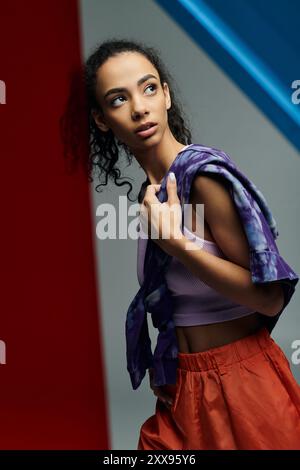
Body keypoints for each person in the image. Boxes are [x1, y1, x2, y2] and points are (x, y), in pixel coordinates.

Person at [62, 38, 300, 450]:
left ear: (166, 95)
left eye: (149, 88)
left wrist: (179, 245)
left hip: (244, 385)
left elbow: (271, 297)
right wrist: (168, 363)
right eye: (119, 99)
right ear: (102, 120)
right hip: (183, 388)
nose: (139, 107)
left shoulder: (204, 180)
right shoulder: (151, 197)